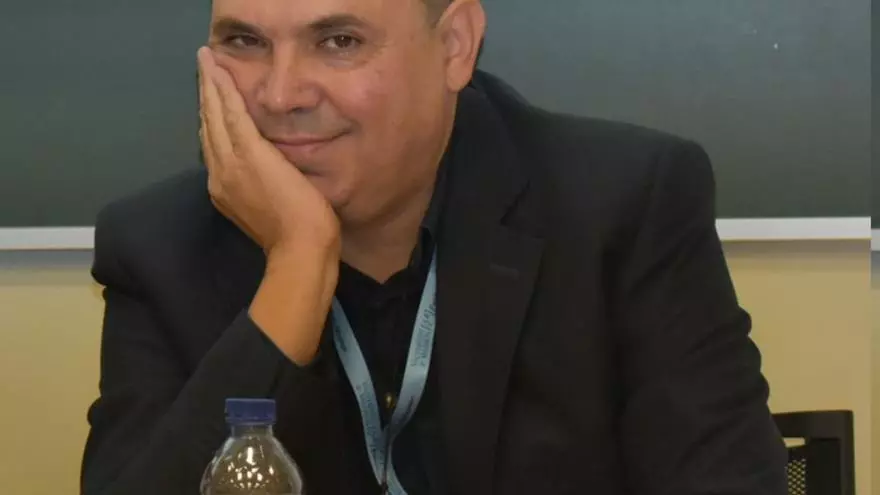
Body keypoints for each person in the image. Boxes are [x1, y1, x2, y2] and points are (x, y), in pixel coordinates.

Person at [79, 0, 788, 493]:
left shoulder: (621, 208)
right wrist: (295, 265)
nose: (280, 94)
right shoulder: (159, 247)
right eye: (243, 42)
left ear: (455, 46)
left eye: (339, 41)